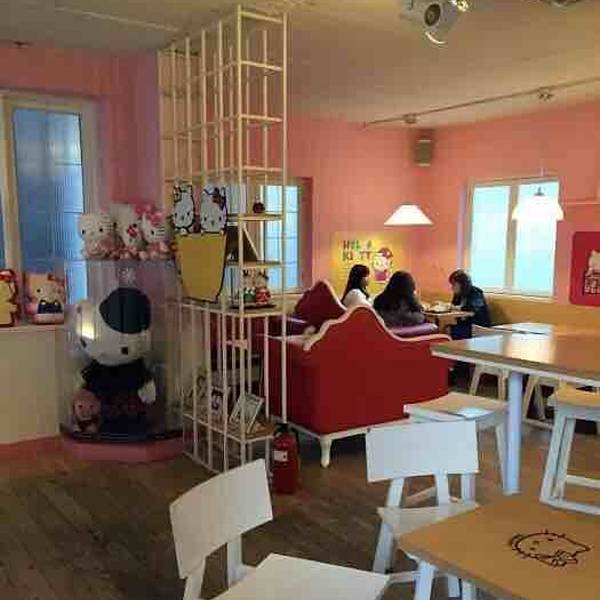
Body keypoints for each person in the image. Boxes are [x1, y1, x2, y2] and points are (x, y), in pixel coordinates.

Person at [449, 269, 491, 339]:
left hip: (478, 326)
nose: (452, 287)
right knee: (446, 328)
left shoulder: (476, 293)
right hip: (465, 324)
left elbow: (473, 310)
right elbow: (453, 306)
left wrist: (457, 308)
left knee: (449, 330)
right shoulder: (458, 294)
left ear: (462, 284)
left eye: (454, 284)